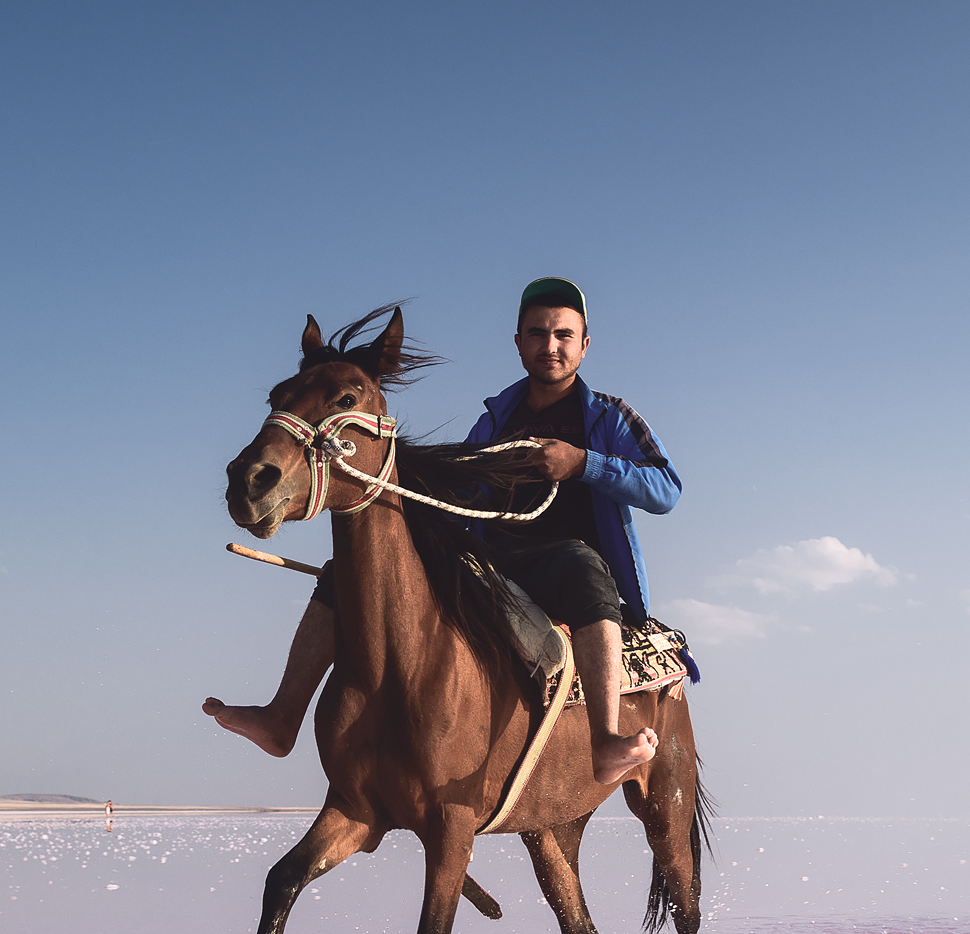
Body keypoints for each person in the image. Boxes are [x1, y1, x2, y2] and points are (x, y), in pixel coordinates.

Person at [204, 277, 681, 784]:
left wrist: (583, 462)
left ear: (584, 344)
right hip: (493, 557)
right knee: (346, 572)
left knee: (585, 569)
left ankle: (605, 740)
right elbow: (460, 498)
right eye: (538, 333)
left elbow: (666, 489)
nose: (551, 345)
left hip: (566, 559)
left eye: (564, 335)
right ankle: (282, 716)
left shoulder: (608, 415)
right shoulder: (495, 419)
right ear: (518, 342)